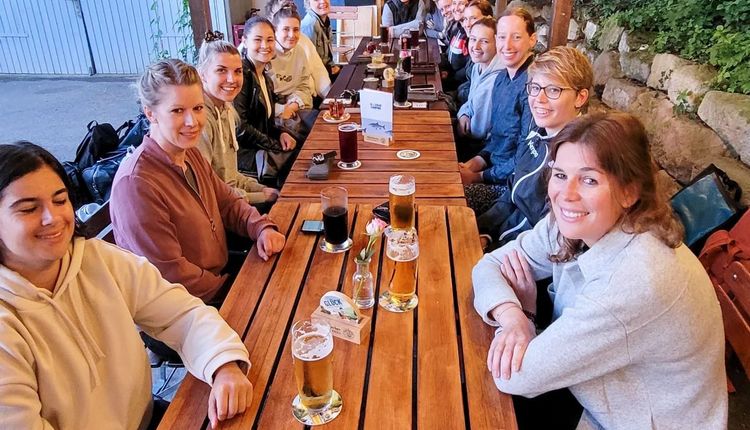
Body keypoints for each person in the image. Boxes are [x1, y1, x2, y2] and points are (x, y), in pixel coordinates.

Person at [473, 112, 727, 429]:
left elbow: (514, 376)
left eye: (589, 179)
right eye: (560, 174)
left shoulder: (636, 280)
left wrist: (529, 319)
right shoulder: (575, 221)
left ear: (629, 191)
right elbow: (491, 263)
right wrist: (512, 316)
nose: (567, 194)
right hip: (598, 395)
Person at [0, 141, 254, 429]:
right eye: (29, 209)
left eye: (60, 200)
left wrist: (223, 365)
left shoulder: (97, 260)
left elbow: (182, 314)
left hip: (149, 418)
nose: (53, 218)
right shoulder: (7, 324)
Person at [111, 59, 286, 304]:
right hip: (183, 310)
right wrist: (237, 292)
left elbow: (227, 202)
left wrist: (260, 227)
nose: (193, 122)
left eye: (198, 108)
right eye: (177, 111)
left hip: (218, 277)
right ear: (150, 113)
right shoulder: (136, 185)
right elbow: (172, 275)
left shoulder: (189, 153)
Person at [477, 46, 592, 249]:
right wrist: (480, 228)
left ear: (580, 98)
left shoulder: (576, 158)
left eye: (554, 90)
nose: (539, 99)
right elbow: (512, 189)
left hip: (524, 253)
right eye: (535, 87)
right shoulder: (537, 130)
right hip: (505, 222)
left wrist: (490, 245)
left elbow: (540, 231)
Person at [461, 7, 537, 214]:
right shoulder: (501, 79)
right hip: (490, 168)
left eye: (516, 37)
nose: (507, 45)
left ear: (532, 40)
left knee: (448, 197)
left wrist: (478, 177)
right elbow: (497, 139)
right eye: (502, 37)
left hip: (508, 186)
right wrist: (473, 165)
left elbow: (524, 159)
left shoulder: (534, 88)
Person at [196, 31, 279, 208]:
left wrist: (260, 189)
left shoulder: (226, 109)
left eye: (237, 71)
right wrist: (257, 197)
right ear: (202, 75)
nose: (232, 79)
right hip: (221, 210)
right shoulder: (201, 120)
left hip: (235, 198)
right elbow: (209, 189)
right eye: (221, 70)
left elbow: (231, 176)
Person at [235, 16, 298, 182]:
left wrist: (281, 133)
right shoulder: (240, 76)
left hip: (261, 147)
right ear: (245, 41)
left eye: (270, 40)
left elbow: (266, 123)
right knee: (297, 167)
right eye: (258, 39)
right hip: (246, 156)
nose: (265, 46)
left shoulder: (265, 77)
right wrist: (274, 144)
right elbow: (240, 128)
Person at [270, 5, 318, 142]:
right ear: (275, 30)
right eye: (286, 29)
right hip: (272, 112)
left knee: (318, 121)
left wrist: (292, 105)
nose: (292, 35)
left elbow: (304, 87)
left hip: (293, 106)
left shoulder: (300, 52)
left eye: (296, 30)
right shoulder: (266, 53)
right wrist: (281, 110)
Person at [456, 15, 502, 154]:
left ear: (497, 44)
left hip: (483, 148)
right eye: (473, 39)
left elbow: (478, 130)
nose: (475, 46)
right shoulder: (478, 66)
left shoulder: (496, 79)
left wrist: (458, 127)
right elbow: (470, 102)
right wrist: (463, 114)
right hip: (470, 133)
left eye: (484, 41)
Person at [300, 0, 341, 78]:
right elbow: (308, 66)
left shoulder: (325, 20)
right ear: (308, 3)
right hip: (319, 78)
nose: (323, 1)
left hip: (328, 69)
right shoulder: (310, 25)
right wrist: (331, 70)